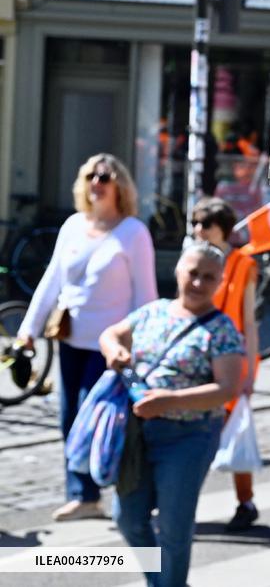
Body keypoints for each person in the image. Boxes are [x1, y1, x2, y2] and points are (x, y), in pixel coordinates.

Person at [18, 153, 158, 522]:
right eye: (91, 176)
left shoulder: (133, 232)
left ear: (120, 186)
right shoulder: (73, 226)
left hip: (110, 347)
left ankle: (115, 488)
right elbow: (52, 280)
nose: (97, 182)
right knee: (69, 418)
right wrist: (27, 331)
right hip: (69, 340)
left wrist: (144, 346)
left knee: (97, 418)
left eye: (105, 177)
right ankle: (83, 494)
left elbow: (145, 296)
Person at [100, 242, 243, 587]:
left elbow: (227, 390)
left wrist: (170, 399)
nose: (198, 283)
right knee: (128, 517)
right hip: (137, 432)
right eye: (193, 273)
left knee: (174, 528)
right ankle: (163, 581)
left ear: (220, 282)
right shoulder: (153, 312)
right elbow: (111, 333)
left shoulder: (222, 329)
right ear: (178, 271)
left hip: (189, 437)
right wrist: (114, 348)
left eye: (209, 277)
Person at [190, 197, 261, 531]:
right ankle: (182, 499)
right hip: (195, 358)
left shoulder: (243, 264)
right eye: (195, 223)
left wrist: (250, 369)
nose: (197, 230)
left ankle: (245, 502)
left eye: (205, 224)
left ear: (223, 228)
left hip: (231, 359)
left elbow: (249, 319)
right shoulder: (192, 259)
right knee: (194, 431)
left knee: (230, 430)